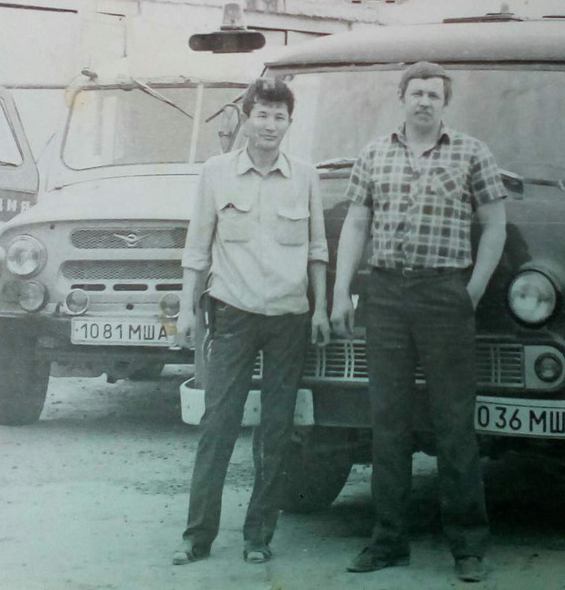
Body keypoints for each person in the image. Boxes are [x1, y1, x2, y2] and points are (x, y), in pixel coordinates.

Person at [330, 61, 507, 584]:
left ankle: (468, 546)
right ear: (402, 98)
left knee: (453, 422)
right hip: (385, 295)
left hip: (444, 294)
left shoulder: (472, 152)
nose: (424, 101)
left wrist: (472, 290)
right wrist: (341, 291)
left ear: (444, 102)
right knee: (387, 421)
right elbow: (356, 224)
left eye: (433, 94)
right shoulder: (374, 154)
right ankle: (388, 541)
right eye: (416, 93)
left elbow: (495, 225)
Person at [172, 77, 329, 566]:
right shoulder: (216, 172)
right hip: (233, 315)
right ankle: (197, 536)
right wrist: (185, 309)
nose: (270, 125)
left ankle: (259, 536)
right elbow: (197, 250)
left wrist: (322, 308)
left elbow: (317, 251)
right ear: (245, 118)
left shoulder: (305, 176)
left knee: (277, 431)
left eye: (279, 116)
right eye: (262, 114)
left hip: (288, 319)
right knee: (218, 424)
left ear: (289, 123)